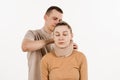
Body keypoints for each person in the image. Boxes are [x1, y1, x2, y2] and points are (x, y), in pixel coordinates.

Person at [21, 6, 77, 80]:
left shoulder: (61, 41)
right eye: (55, 19)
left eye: (60, 20)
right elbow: (25, 47)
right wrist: (52, 40)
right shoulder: (33, 34)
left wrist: (71, 51)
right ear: (45, 17)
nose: (57, 22)